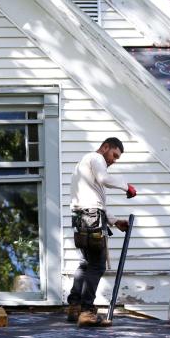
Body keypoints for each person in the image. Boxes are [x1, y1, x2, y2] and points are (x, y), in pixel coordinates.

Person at [66, 137, 137, 327]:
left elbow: (95, 202)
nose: (113, 160)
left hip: (82, 218)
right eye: (114, 155)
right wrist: (126, 186)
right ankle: (87, 311)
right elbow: (104, 180)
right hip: (91, 218)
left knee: (86, 263)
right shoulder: (96, 158)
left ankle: (74, 306)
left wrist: (114, 221)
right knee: (97, 265)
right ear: (105, 147)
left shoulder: (83, 167)